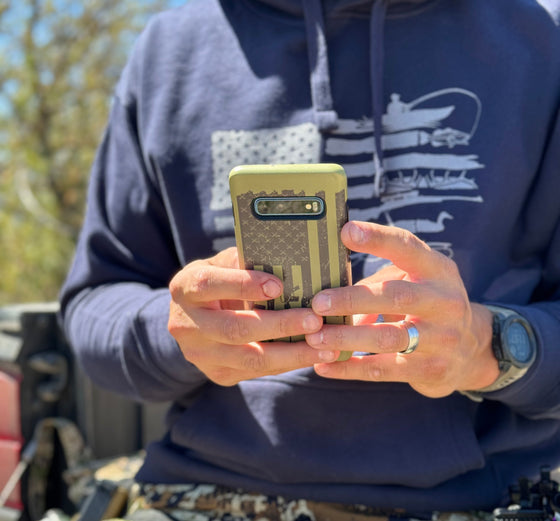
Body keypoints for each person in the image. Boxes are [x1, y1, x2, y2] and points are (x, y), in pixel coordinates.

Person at [59, 0, 560, 517]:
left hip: (488, 501)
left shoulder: (542, 37)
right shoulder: (170, 49)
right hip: (211, 495)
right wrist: (178, 330)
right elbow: (95, 302)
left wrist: (485, 344)